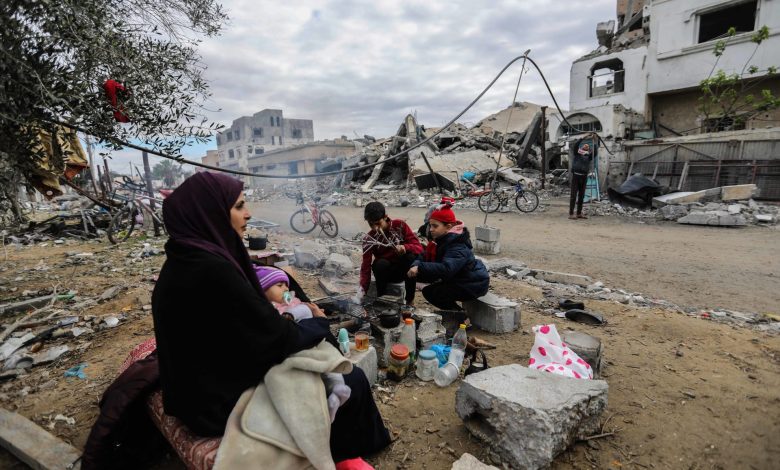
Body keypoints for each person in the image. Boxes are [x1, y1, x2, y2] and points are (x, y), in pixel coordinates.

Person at [151, 172, 390, 462]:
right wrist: (316, 322)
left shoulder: (184, 259)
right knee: (352, 379)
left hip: (196, 391)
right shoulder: (213, 270)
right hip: (214, 406)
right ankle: (348, 454)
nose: (249, 213)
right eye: (239, 206)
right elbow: (276, 340)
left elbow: (243, 329)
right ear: (211, 212)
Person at [406, 203, 489, 321]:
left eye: (435, 226)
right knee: (413, 271)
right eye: (430, 225)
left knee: (432, 293)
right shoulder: (442, 239)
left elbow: (447, 268)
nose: (431, 229)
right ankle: (409, 302)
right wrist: (416, 264)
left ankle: (460, 316)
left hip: (473, 283)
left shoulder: (457, 245)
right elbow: (424, 255)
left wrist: (420, 266)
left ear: (448, 227)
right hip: (459, 278)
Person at [360, 201, 422, 305]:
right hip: (385, 273)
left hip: (403, 271)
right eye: (371, 224)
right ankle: (382, 300)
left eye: (378, 223)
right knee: (380, 263)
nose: (375, 228)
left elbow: (419, 248)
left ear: (385, 217)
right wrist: (362, 291)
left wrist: (405, 247)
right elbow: (365, 267)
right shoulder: (369, 239)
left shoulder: (399, 226)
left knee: (410, 257)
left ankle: (409, 301)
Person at [569, 137, 594, 220]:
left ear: (588, 149)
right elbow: (576, 145)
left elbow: (595, 152)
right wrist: (582, 138)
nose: (586, 146)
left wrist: (595, 141)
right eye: (585, 145)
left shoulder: (588, 156)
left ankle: (579, 213)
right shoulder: (577, 153)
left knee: (581, 196)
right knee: (573, 195)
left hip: (584, 177)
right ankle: (571, 213)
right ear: (582, 147)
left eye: (587, 146)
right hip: (576, 176)